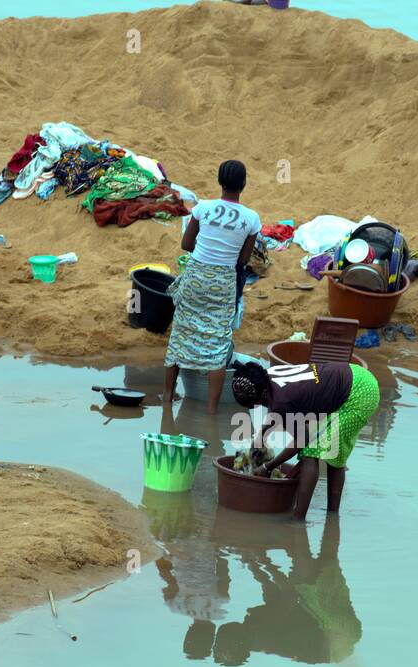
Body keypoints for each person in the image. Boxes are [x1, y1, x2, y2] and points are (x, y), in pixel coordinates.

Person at [162, 160, 261, 413]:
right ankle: (211, 412)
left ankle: (166, 399)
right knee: (218, 342)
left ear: (219, 181)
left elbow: (186, 244)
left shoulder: (203, 208)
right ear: (244, 184)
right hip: (224, 281)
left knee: (180, 333)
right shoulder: (251, 219)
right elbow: (243, 261)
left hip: (196, 276)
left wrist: (207, 254)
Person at [230, 359, 380, 520]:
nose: (258, 407)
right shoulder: (269, 375)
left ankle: (299, 518)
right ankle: (332, 516)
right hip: (354, 375)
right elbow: (279, 407)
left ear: (262, 395)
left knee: (311, 452)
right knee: (331, 452)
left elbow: (302, 439)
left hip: (359, 395)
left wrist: (268, 467)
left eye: (255, 404)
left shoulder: (281, 400)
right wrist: (261, 435)